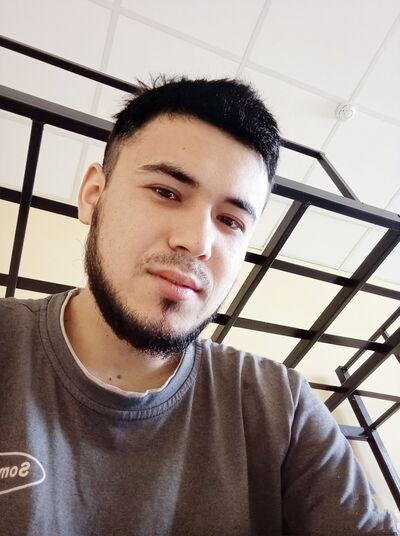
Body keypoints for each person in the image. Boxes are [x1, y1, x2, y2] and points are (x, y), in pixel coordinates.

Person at [0, 77, 397, 536]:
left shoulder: (282, 408)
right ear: (94, 194)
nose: (198, 241)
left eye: (231, 220)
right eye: (166, 192)